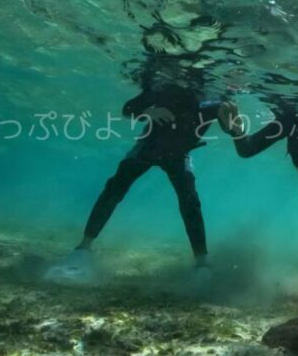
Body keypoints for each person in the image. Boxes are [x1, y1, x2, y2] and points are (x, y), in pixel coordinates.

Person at [45, 81, 228, 283]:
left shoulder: (217, 99)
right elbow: (129, 109)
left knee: (190, 201)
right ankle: (83, 249)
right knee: (115, 187)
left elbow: (234, 129)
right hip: (148, 147)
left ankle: (201, 263)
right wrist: (149, 111)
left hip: (179, 154)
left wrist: (233, 123)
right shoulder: (162, 87)